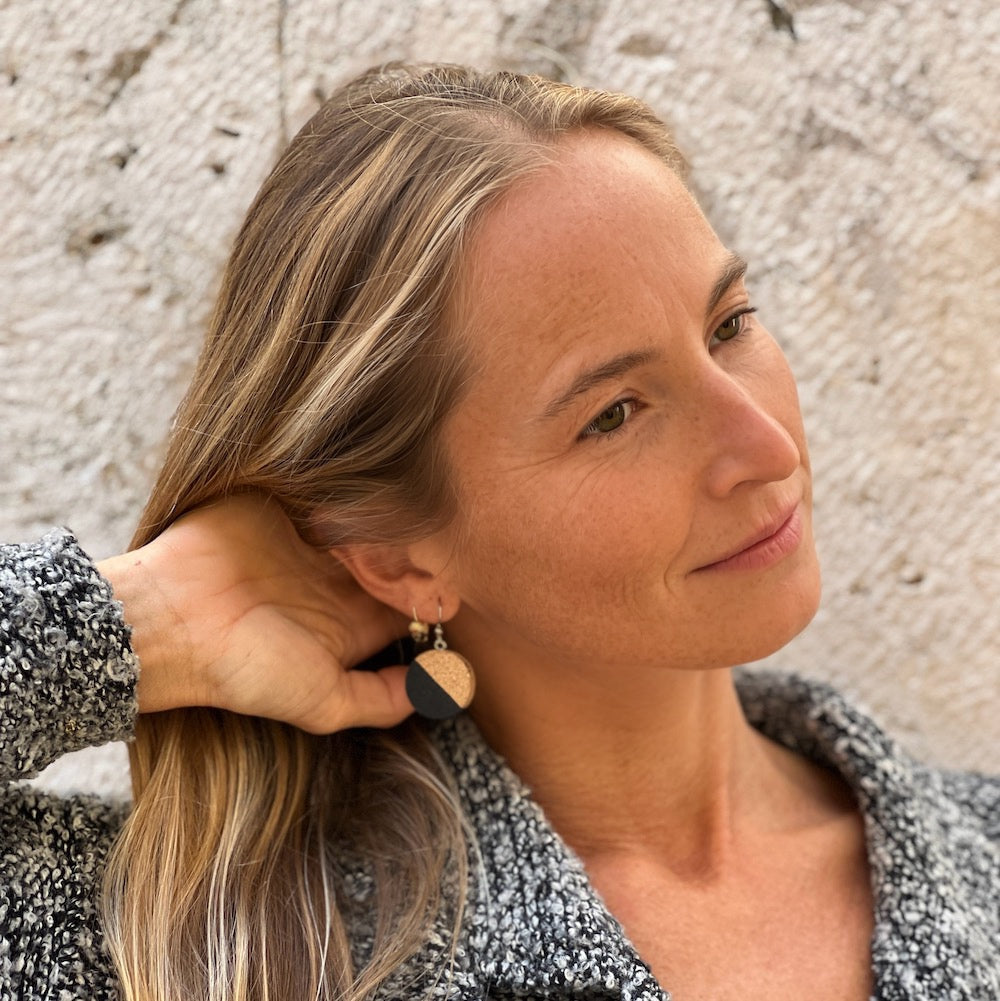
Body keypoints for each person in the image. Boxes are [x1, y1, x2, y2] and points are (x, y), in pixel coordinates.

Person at [1, 63, 996, 1001]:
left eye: (728, 324)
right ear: (397, 558)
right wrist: (142, 619)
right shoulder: (203, 949)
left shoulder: (978, 861)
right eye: (614, 411)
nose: (767, 445)